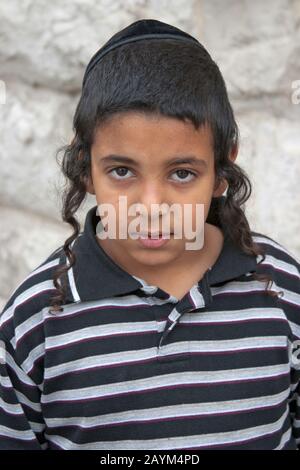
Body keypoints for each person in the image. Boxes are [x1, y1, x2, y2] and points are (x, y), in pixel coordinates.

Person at [0, 18, 299, 450]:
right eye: (122, 171)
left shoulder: (281, 288)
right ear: (86, 168)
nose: (152, 208)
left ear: (221, 169)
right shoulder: (35, 324)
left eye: (182, 173)